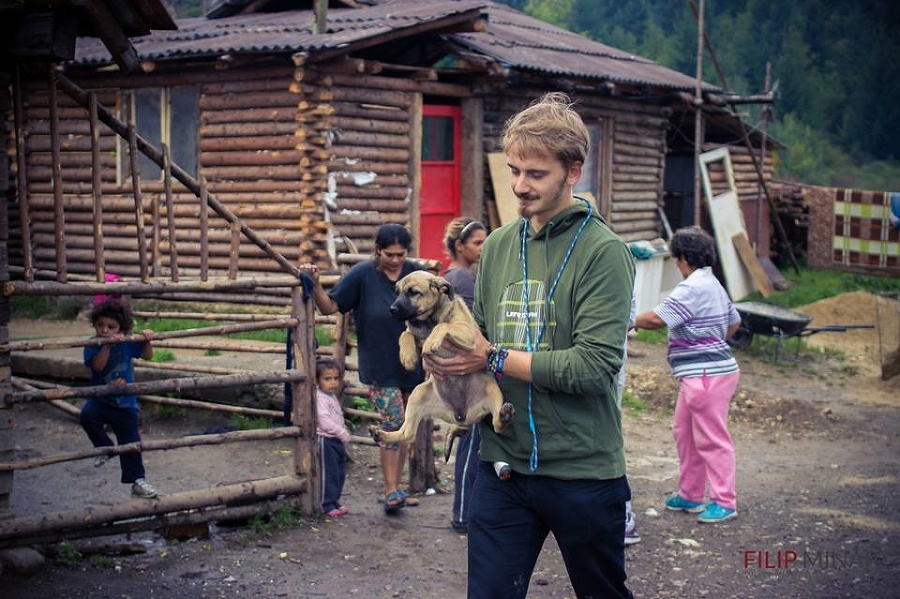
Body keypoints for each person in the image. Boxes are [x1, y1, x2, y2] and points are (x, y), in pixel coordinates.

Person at [425, 92, 635, 598]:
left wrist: (493, 357)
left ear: (572, 172)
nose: (519, 186)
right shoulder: (496, 246)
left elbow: (594, 367)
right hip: (502, 466)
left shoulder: (604, 252)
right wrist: (445, 356)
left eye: (535, 174)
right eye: (515, 170)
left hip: (582, 470)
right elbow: (479, 336)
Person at [299, 223, 426, 514]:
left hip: (414, 366)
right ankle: (390, 489)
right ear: (377, 251)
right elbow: (329, 307)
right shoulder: (363, 275)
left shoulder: (417, 274)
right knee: (393, 422)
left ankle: (397, 487)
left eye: (400, 254)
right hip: (380, 366)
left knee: (406, 427)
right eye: (389, 254)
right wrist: (316, 283)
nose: (395, 260)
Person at [633, 226, 742, 524]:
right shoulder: (712, 284)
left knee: (711, 439)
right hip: (702, 373)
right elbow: (734, 322)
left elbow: (656, 319)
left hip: (707, 374)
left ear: (682, 258)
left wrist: (626, 320)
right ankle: (691, 494)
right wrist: (713, 338)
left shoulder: (692, 287)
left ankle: (724, 500)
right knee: (685, 434)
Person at [80, 299, 158, 499]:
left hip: (125, 403)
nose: (104, 330)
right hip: (101, 399)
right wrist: (106, 346)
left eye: (111, 327)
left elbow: (147, 356)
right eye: (100, 325)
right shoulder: (92, 344)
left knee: (131, 442)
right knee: (87, 416)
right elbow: (97, 367)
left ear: (121, 329)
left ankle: (137, 481)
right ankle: (105, 447)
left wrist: (147, 340)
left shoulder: (128, 343)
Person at [442, 216, 488, 534]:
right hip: (466, 371)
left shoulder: (459, 275)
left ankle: (467, 510)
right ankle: (462, 514)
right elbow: (469, 329)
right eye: (477, 243)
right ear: (460, 246)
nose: (483, 249)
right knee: (471, 442)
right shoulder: (461, 279)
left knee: (472, 441)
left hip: (464, 369)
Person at [315, 357, 352, 517]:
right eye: (327, 379)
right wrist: (341, 431)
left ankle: (334, 499)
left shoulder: (330, 396)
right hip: (326, 440)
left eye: (336, 378)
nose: (333, 383)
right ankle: (326, 504)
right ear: (317, 381)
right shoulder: (320, 398)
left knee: (339, 472)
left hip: (336, 440)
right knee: (328, 472)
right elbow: (324, 421)